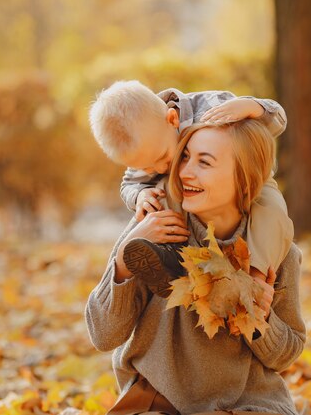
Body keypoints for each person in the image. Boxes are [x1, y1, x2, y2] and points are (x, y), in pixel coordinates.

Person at [85, 119, 306, 415]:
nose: (185, 171)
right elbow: (103, 336)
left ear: (245, 177)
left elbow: (285, 356)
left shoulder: (276, 252)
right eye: (185, 156)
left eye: (205, 162)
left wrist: (259, 321)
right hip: (159, 400)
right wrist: (124, 262)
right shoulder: (155, 226)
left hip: (247, 403)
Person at [89, 80, 293, 294]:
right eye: (146, 167)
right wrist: (139, 195)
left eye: (161, 158)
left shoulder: (212, 106)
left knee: (272, 210)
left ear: (172, 119)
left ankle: (256, 276)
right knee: (158, 196)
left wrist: (251, 107)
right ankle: (168, 260)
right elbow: (129, 183)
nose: (159, 168)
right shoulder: (149, 148)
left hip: (251, 177)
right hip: (189, 194)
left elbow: (277, 121)